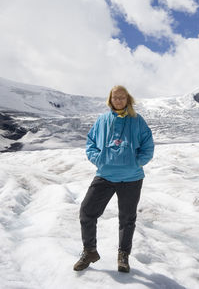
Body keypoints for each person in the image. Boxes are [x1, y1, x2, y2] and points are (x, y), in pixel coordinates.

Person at [73, 85, 154, 273]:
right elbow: (90, 143)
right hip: (105, 175)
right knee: (87, 212)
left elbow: (148, 144)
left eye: (122, 97)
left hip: (132, 177)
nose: (118, 100)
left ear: (128, 99)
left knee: (127, 219)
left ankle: (123, 256)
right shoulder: (102, 120)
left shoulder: (137, 120)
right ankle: (89, 251)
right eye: (115, 97)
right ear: (110, 100)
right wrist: (99, 160)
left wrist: (137, 163)